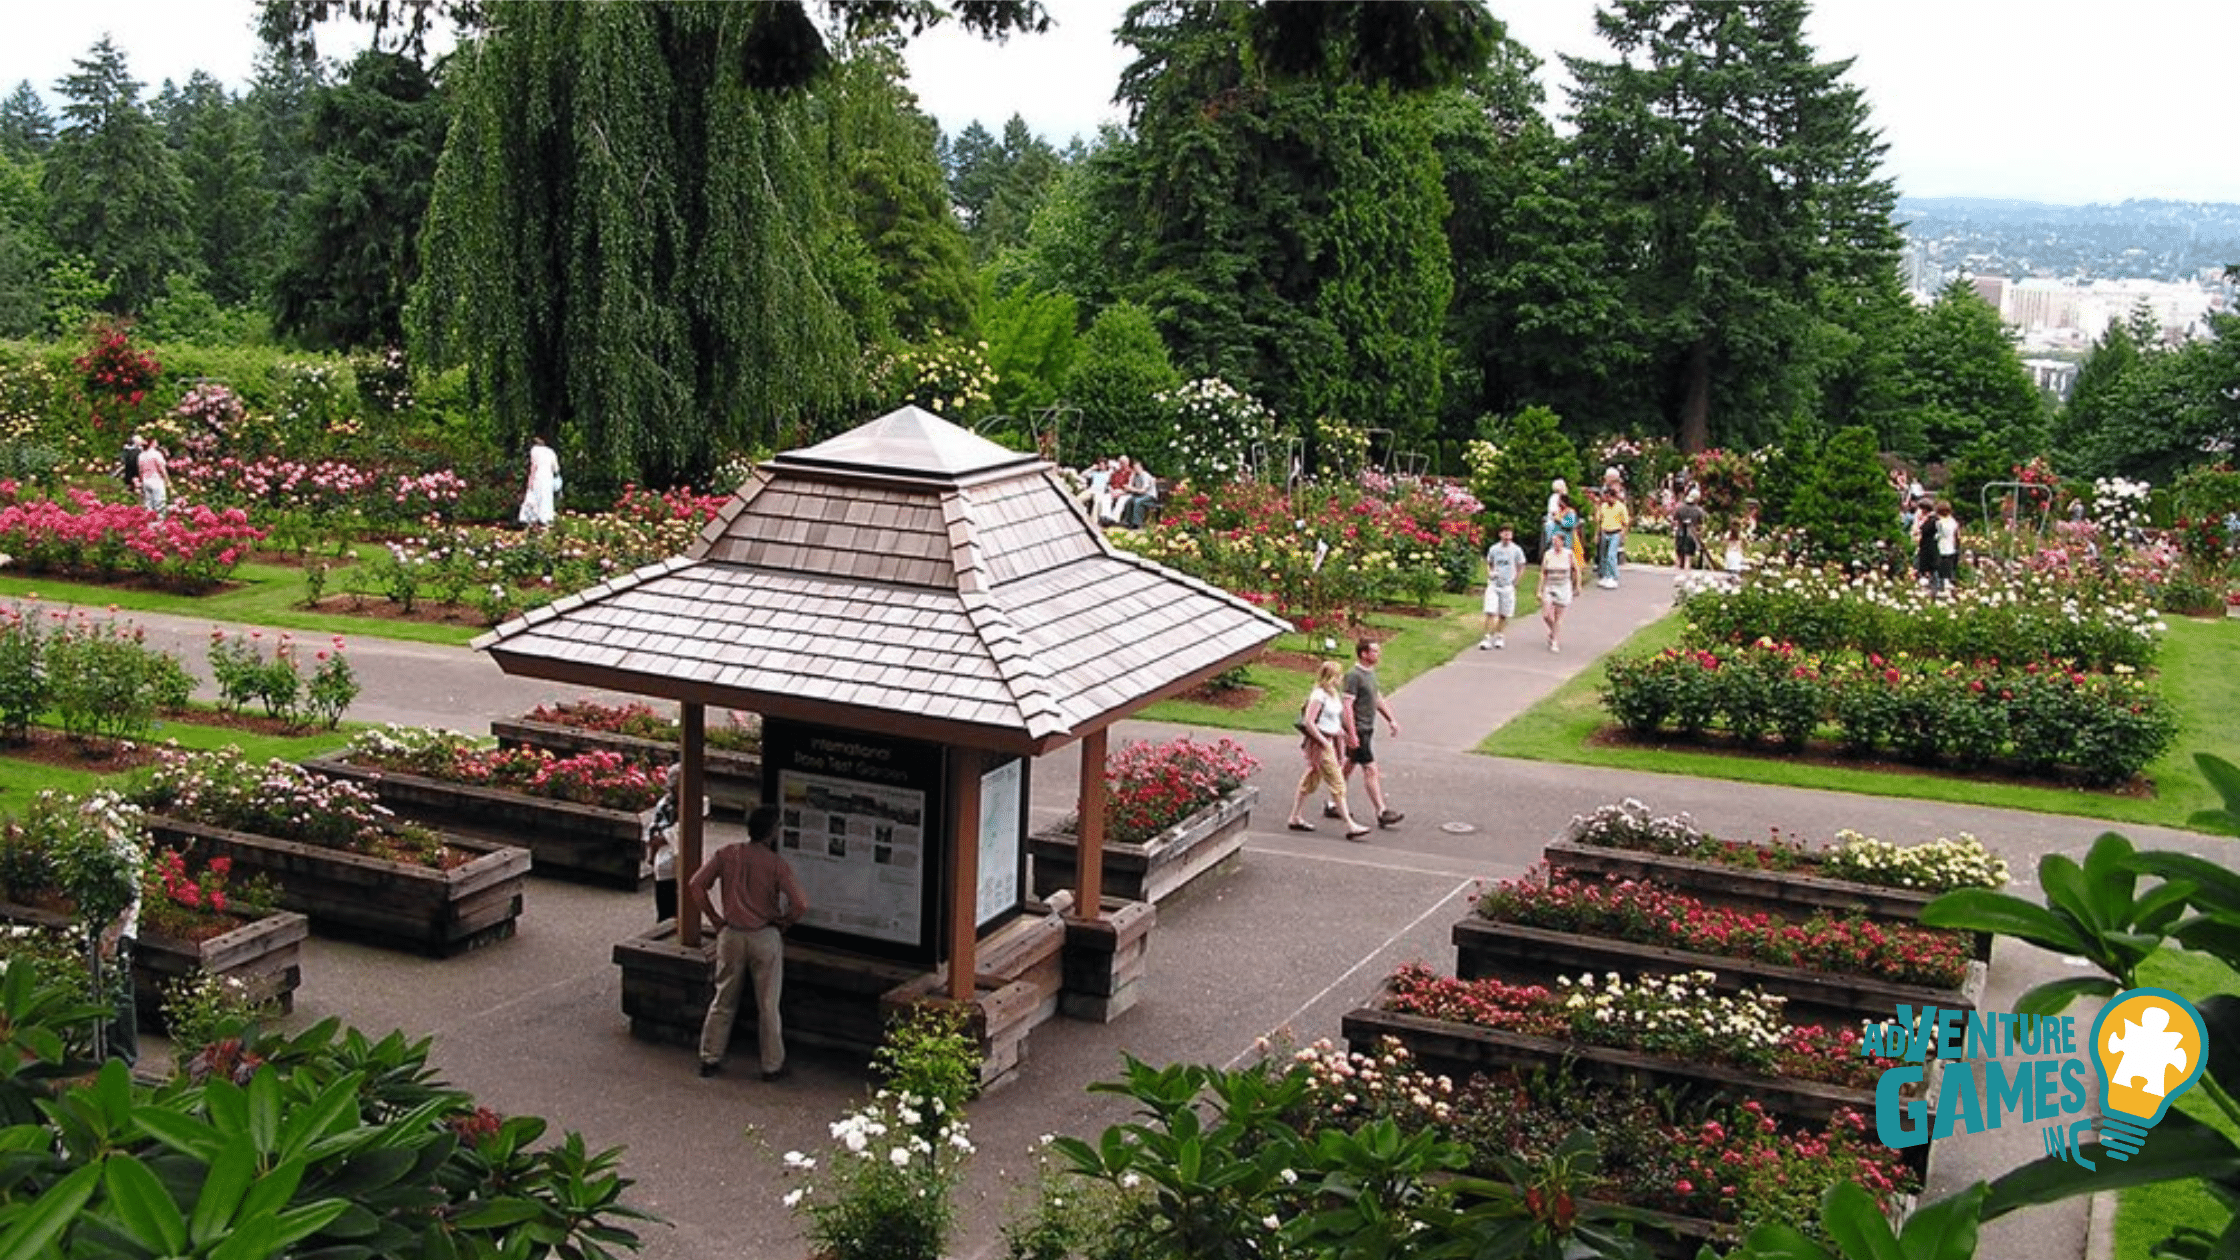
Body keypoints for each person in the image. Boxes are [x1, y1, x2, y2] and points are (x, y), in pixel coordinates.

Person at [690, 803, 806, 1080]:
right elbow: (801, 903)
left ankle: (710, 1057)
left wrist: (715, 919)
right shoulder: (776, 864)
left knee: (723, 997)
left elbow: (696, 884)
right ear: (772, 832)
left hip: (730, 933)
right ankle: (772, 1064)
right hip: (764, 934)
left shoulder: (728, 853)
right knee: (768, 1004)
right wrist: (785, 921)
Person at [1286, 660, 1371, 840]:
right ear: (1331, 676)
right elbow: (1309, 721)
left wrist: (1341, 733)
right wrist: (1323, 741)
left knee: (1312, 778)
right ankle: (1350, 824)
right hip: (1322, 743)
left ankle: (1295, 816)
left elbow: (1332, 719)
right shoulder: (1318, 695)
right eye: (1339, 675)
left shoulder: (1332, 694)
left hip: (1331, 740)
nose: (1341, 679)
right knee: (1337, 782)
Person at [1330, 639, 1404, 829]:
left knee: (1349, 765)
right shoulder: (1354, 676)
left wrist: (1391, 719)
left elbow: (1376, 697)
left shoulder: (1369, 675)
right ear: (1363, 654)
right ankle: (1381, 811)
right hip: (1359, 729)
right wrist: (1352, 733)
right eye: (1374, 651)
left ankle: (1332, 803)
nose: (1378, 655)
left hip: (1367, 728)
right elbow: (1347, 705)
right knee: (1370, 769)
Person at [1481, 524, 1527, 649]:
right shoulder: (1494, 549)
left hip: (1507, 585)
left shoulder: (1516, 550)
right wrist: (1490, 573)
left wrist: (1516, 580)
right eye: (1504, 533)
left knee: (1503, 613)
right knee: (1490, 611)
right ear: (1500, 534)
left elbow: (1521, 565)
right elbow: (1489, 563)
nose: (1507, 535)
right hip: (1494, 584)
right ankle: (1487, 638)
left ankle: (1499, 635)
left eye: (1509, 533)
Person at [1539, 515, 1578, 653]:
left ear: (1562, 542)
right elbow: (1543, 572)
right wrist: (1539, 589)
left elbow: (1575, 570)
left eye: (1557, 541)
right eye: (1553, 541)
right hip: (1550, 585)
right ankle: (1553, 630)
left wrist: (1576, 585)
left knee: (1558, 616)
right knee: (1546, 615)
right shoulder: (1548, 554)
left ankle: (1555, 640)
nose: (1555, 544)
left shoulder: (1568, 554)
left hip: (1563, 585)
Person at [1593, 485, 1631, 589]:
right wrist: (1597, 534)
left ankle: (1613, 577)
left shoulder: (1620, 507)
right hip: (1605, 532)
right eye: (1607, 497)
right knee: (1603, 556)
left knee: (1611, 555)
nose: (1608, 499)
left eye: (1610, 497)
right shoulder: (1604, 506)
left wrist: (1623, 534)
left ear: (1614, 497)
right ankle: (1605, 575)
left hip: (1615, 532)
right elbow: (1599, 520)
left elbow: (1626, 522)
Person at [519, 436, 561, 528]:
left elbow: (534, 466)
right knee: (546, 497)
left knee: (533, 496)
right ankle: (545, 519)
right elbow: (556, 468)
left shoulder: (534, 450)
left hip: (538, 476)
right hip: (548, 477)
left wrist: (530, 480)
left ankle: (530, 518)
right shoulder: (550, 451)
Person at [1673, 488, 1707, 572]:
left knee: (1679, 555)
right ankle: (1686, 573)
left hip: (1680, 532)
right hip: (1691, 533)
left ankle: (1675, 574)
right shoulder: (1698, 510)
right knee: (1688, 556)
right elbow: (1702, 522)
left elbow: (1674, 518)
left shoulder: (1680, 508)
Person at [1120, 459, 1159, 528]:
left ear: (1141, 467)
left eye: (1137, 468)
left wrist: (1131, 489)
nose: (1136, 470)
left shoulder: (1145, 476)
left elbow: (1143, 490)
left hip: (1150, 497)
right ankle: (1127, 521)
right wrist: (1131, 477)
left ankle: (1136, 524)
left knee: (1137, 501)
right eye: (1134, 468)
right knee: (1129, 501)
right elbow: (1130, 486)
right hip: (1141, 496)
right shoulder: (1136, 476)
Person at [137, 438, 170, 516]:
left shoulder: (141, 455)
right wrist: (167, 480)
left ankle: (149, 523)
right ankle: (160, 523)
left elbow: (140, 470)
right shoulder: (156, 454)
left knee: (148, 504)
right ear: (152, 443)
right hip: (156, 480)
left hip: (146, 480)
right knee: (160, 504)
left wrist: (142, 482)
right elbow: (161, 468)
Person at [1933, 500, 1961, 594]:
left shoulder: (1938, 522)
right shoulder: (1953, 522)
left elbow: (1936, 535)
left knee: (1941, 571)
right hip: (1951, 548)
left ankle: (1940, 587)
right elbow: (1957, 536)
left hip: (1941, 547)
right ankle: (1949, 585)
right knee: (1949, 570)